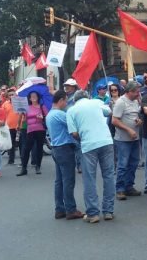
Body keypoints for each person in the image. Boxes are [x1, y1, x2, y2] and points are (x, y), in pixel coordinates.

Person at [67, 90, 116, 223]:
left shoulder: (71, 110)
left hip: (88, 144)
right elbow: (109, 112)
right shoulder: (96, 102)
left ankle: (93, 213)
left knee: (89, 178)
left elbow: (74, 133)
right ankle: (108, 211)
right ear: (87, 97)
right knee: (109, 176)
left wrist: (82, 138)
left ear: (75, 100)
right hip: (106, 141)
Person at [47, 90, 83, 220]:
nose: (66, 103)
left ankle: (60, 208)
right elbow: (73, 126)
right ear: (61, 100)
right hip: (64, 148)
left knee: (59, 181)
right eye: (66, 100)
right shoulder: (60, 114)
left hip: (56, 148)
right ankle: (71, 209)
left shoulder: (50, 114)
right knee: (68, 180)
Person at [111, 81, 143, 200]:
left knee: (134, 163)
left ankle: (129, 186)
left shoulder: (135, 101)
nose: (138, 94)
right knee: (122, 164)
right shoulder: (120, 102)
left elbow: (136, 116)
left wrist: (139, 121)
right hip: (123, 139)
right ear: (129, 91)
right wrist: (128, 130)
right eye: (136, 92)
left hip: (135, 138)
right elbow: (114, 121)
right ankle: (120, 189)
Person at [17, 91, 48, 176]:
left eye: (35, 96)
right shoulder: (27, 107)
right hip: (30, 129)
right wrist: (23, 120)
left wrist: (43, 117)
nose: (33, 97)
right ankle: (24, 168)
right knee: (27, 149)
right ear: (29, 98)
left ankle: (38, 166)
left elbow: (47, 117)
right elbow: (25, 119)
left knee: (39, 148)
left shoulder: (42, 107)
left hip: (40, 129)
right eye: (31, 96)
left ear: (38, 97)